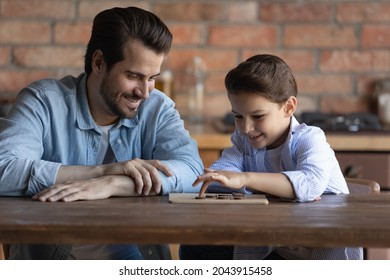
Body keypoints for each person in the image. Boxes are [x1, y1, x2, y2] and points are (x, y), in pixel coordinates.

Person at [0, 6, 203, 260]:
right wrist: (101, 171)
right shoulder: (42, 101)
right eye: (133, 76)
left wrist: (113, 183)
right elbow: (4, 168)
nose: (145, 92)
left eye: (152, 78)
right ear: (98, 62)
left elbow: (193, 171)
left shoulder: (157, 107)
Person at [179, 54, 362, 260]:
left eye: (258, 116)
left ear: (289, 107)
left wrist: (245, 179)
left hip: (321, 253)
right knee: (193, 246)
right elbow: (222, 174)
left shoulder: (310, 138)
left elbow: (310, 184)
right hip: (277, 247)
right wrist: (221, 177)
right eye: (238, 116)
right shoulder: (243, 140)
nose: (246, 128)